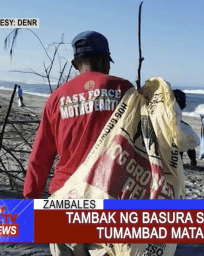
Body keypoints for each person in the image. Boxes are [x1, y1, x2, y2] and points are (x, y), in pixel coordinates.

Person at [23, 31, 133, 255]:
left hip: (64, 200)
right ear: (105, 61)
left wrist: (30, 200)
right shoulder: (124, 90)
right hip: (108, 201)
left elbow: (40, 157)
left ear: (76, 63)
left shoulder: (56, 98)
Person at [173, 89, 199, 167]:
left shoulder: (171, 105)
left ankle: (181, 162)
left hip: (175, 125)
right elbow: (183, 106)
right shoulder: (179, 105)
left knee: (181, 145)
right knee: (189, 145)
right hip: (180, 125)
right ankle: (193, 161)